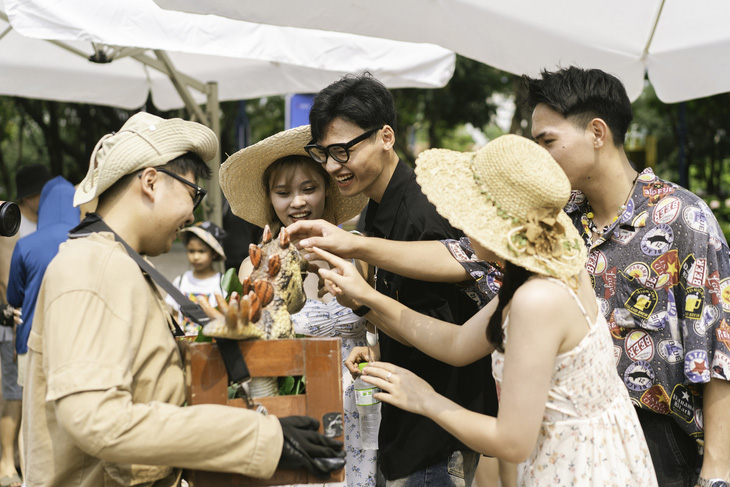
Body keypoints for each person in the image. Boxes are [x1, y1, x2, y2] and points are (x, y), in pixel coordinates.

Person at [311, 134, 658, 486]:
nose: (458, 223)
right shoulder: (546, 270)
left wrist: (426, 399)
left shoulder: (536, 300)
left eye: (468, 212)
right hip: (596, 454)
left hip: (575, 468)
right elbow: (459, 343)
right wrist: (366, 296)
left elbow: (512, 441)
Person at [21, 112, 343, 486]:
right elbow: (96, 420)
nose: (192, 215)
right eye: (193, 194)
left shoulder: (118, 262)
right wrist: (259, 436)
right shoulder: (94, 266)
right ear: (152, 183)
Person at [523, 66, 730, 487]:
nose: (539, 158)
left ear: (597, 133)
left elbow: (719, 352)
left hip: (660, 442)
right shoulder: (559, 223)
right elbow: (473, 261)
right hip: (575, 441)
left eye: (548, 142)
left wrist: (716, 473)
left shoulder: (683, 219)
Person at [303, 72, 496, 486]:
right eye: (323, 154)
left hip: (438, 431)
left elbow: (444, 338)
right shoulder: (377, 205)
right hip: (406, 425)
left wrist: (363, 296)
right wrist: (359, 303)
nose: (333, 166)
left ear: (385, 136)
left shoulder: (423, 214)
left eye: (342, 151)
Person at [219, 124, 373, 487]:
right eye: (283, 192)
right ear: (270, 199)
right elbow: (248, 350)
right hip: (294, 407)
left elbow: (380, 323)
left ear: (327, 191)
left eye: (309, 189)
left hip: (361, 406)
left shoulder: (358, 251)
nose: (298, 202)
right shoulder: (255, 265)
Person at [165, 220, 226, 336]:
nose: (196, 257)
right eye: (191, 251)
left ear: (214, 253)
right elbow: (175, 315)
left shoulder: (222, 283)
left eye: (201, 251)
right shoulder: (181, 281)